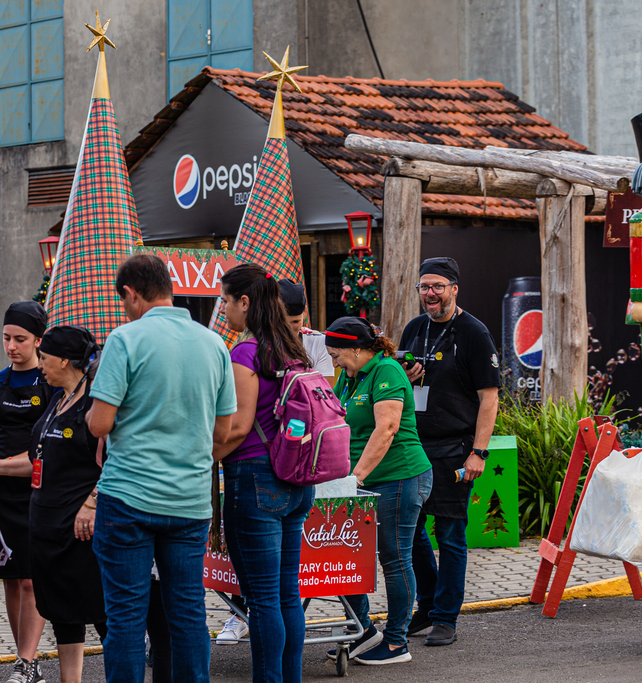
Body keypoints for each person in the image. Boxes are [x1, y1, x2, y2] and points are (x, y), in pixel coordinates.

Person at [86, 254, 236, 683]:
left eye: (124, 301)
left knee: (126, 617)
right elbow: (222, 433)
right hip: (189, 501)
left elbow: (99, 424)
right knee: (188, 611)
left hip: (128, 497)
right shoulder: (213, 344)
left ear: (131, 293)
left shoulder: (125, 339)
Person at [0, 325, 106, 683]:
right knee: (63, 612)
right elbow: (37, 458)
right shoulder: (58, 399)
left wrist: (92, 503)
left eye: (44, 358)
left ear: (65, 360)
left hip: (82, 529)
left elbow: (117, 460)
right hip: (48, 527)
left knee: (101, 611)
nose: (39, 365)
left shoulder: (95, 403)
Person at [213, 264, 316, 682]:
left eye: (225, 300)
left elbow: (239, 427)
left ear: (244, 301)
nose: (223, 309)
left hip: (255, 480)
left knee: (262, 599)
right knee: (287, 595)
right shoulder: (292, 348)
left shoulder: (246, 352)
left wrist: (202, 459)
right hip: (296, 478)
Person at [399, 257, 499, 647]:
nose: (430, 293)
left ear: (454, 289)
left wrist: (479, 452)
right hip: (414, 447)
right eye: (425, 286)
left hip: (455, 449)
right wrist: (406, 377)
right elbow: (399, 383)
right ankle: (428, 605)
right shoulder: (414, 329)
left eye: (438, 286)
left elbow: (489, 398)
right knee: (410, 531)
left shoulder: (474, 332)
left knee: (450, 533)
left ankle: (445, 617)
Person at [326, 317, 433, 665]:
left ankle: (396, 642)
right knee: (342, 555)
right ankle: (363, 629)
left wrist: (354, 478)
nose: (334, 363)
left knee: (394, 557)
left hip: (399, 477)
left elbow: (386, 429)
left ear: (357, 348)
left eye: (337, 355)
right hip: (362, 480)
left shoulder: (386, 371)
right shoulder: (350, 376)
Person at [0, 302, 53, 683]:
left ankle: (26, 659)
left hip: (38, 491)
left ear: (39, 340)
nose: (11, 346)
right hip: (1, 493)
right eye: (6, 338)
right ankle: (26, 661)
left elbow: (49, 446)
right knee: (11, 580)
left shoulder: (51, 382)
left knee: (32, 580)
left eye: (20, 339)